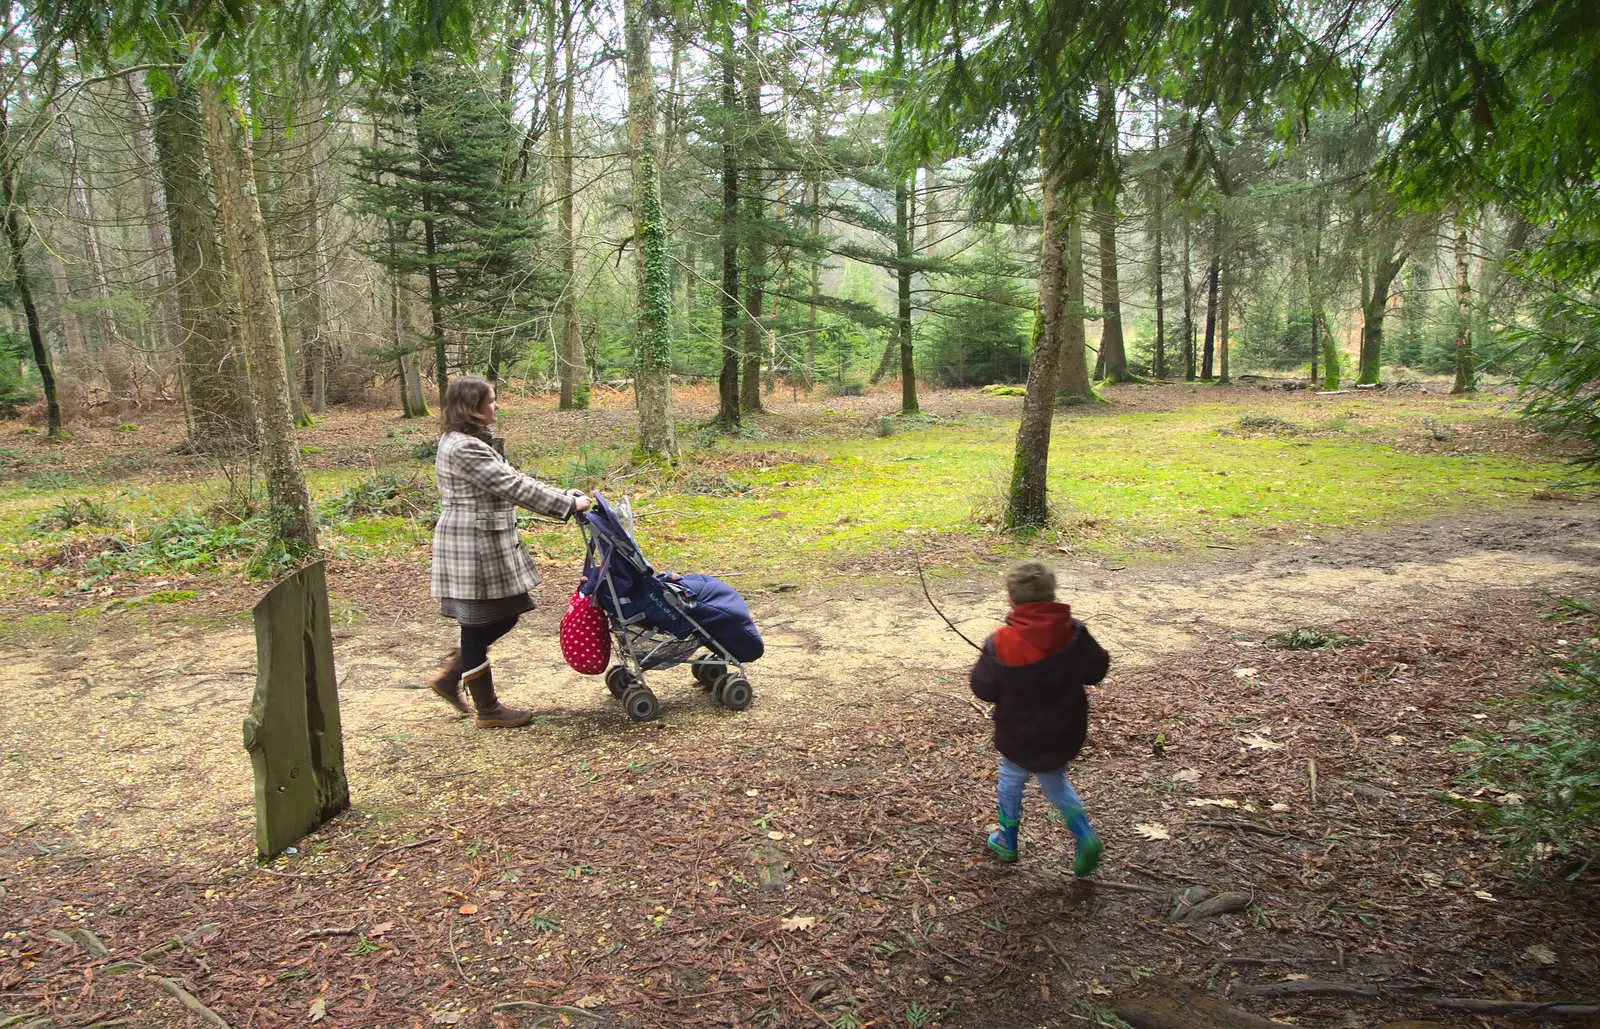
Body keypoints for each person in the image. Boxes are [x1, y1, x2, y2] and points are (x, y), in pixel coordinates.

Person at [426, 376, 592, 728]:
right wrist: (567, 505)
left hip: (482, 540)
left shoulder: (469, 440)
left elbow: (514, 477)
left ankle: (452, 674)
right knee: (478, 624)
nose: (496, 405)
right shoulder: (463, 447)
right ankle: (486, 709)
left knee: (505, 614)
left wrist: (562, 494)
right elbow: (511, 485)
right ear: (471, 406)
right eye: (491, 400)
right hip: (473, 544)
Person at [969, 560, 1109, 876]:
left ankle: (1006, 839)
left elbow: (983, 688)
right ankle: (1084, 835)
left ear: (1011, 600)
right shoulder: (1074, 632)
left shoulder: (1001, 641)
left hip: (1018, 733)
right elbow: (1096, 669)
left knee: (1010, 779)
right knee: (1054, 781)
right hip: (1064, 729)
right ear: (1052, 596)